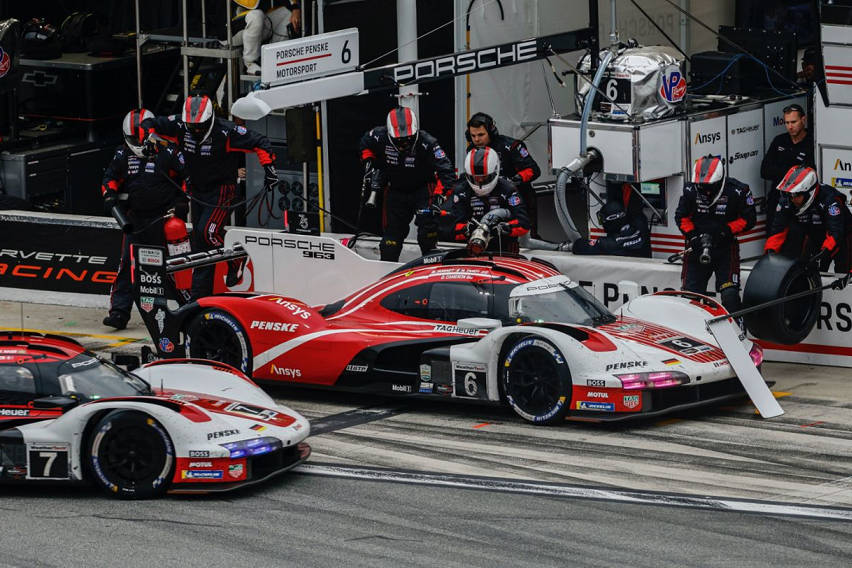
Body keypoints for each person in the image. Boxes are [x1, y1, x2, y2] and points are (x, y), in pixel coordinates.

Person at [142, 94, 279, 299]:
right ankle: (200, 297)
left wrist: (269, 169)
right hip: (197, 190)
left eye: (200, 126)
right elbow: (148, 124)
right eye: (192, 126)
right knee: (200, 243)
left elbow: (261, 141)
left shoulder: (226, 131)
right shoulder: (180, 125)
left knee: (208, 232)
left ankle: (237, 257)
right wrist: (148, 140)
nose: (196, 130)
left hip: (222, 189)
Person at [101, 109, 188, 330]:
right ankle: (119, 312)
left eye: (141, 138)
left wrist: (181, 203)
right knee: (127, 266)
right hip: (136, 219)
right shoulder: (122, 154)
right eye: (133, 139)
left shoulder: (168, 152)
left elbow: (189, 177)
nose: (137, 143)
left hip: (165, 220)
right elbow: (109, 178)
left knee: (175, 266)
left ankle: (188, 308)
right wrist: (110, 195)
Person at [359, 106, 456, 261]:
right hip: (396, 192)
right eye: (399, 141)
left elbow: (447, 172)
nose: (404, 145)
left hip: (423, 191)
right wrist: (369, 162)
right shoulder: (378, 135)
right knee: (390, 242)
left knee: (427, 236)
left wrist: (439, 199)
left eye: (408, 140)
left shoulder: (428, 143)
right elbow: (365, 143)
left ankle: (430, 273)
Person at [675, 155, 756, 316]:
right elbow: (681, 217)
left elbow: (749, 219)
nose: (704, 189)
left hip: (725, 248)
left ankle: (737, 332)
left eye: (708, 185)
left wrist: (725, 231)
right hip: (697, 248)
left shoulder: (738, 190)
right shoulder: (690, 189)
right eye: (701, 185)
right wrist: (693, 236)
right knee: (690, 298)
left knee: (730, 296)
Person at [764, 165, 852, 274]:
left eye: (796, 195)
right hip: (814, 235)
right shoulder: (786, 201)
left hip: (842, 236)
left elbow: (836, 232)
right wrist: (770, 251)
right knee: (807, 270)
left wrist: (823, 253)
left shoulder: (830, 199)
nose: (793, 199)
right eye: (790, 194)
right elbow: (778, 230)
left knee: (844, 275)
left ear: (809, 192)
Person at [466, 112, 541, 237]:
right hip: (488, 201)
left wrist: (514, 180)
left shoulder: (511, 146)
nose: (477, 139)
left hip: (519, 199)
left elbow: (533, 170)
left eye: (481, 135)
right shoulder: (471, 150)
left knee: (526, 239)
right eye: (473, 136)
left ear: (491, 132)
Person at [449, 147, 530, 254]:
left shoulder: (508, 189)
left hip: (505, 251)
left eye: (484, 177)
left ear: (495, 172)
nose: (480, 181)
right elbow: (452, 229)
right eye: (476, 178)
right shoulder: (461, 191)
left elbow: (524, 223)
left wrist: (505, 228)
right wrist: (466, 229)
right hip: (475, 249)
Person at [760, 103, 814, 231]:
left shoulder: (812, 141)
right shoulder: (779, 140)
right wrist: (793, 171)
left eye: (794, 122)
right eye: (787, 122)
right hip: (777, 198)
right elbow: (764, 171)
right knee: (772, 236)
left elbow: (810, 174)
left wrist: (780, 171)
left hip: (801, 201)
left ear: (803, 120)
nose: (790, 126)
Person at [231, 1, 300, 75]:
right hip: (232, 33)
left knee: (287, 14)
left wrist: (295, 9)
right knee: (256, 15)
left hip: (255, 25)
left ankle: (273, 57)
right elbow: (253, 5)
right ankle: (250, 63)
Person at [571, 200, 651, 257]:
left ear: (611, 221)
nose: (602, 223)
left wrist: (568, 246)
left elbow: (579, 246)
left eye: (602, 219)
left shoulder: (611, 243)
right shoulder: (641, 224)